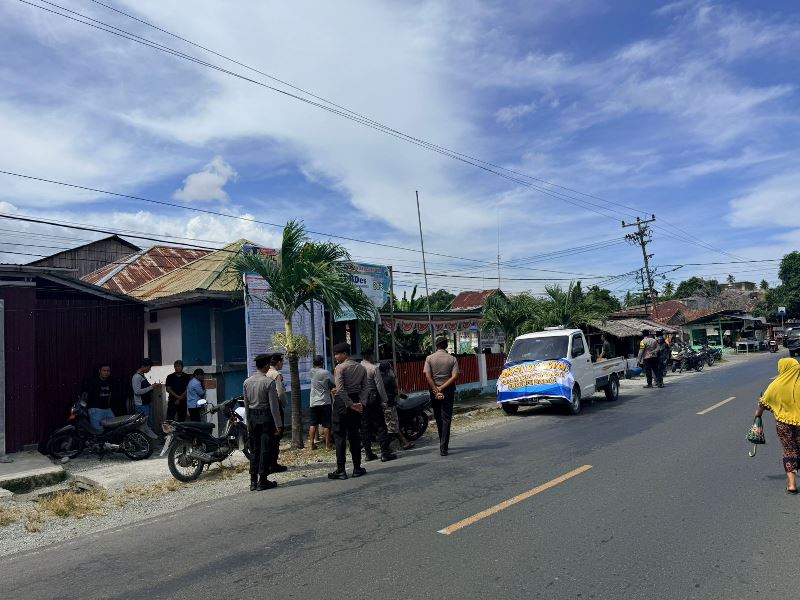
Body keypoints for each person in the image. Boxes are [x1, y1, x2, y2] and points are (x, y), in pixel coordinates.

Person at [754, 358, 800, 494]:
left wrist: (758, 414)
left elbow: (763, 403)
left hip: (783, 424)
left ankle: (792, 484)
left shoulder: (775, 385)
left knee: (789, 450)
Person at [329, 342, 367, 480]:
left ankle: (341, 470)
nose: (335, 356)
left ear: (345, 354)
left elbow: (339, 389)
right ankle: (357, 468)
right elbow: (365, 387)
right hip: (356, 400)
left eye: (337, 354)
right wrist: (361, 403)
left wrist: (350, 404)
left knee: (340, 437)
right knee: (354, 435)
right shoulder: (361, 367)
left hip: (342, 403)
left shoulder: (340, 368)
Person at [243, 354, 278, 491]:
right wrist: (278, 424)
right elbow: (273, 406)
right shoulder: (269, 382)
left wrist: (248, 422)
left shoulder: (247, 382)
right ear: (266, 365)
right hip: (265, 418)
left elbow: (246, 405)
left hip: (252, 417)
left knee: (254, 450)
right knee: (265, 449)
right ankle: (262, 480)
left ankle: (253, 481)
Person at [424, 337, 460, 456]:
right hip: (448, 391)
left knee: (438, 417)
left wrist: (436, 389)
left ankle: (442, 442)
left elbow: (428, 377)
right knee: (446, 418)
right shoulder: (452, 359)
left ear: (436, 345)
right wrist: (442, 388)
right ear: (446, 346)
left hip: (434, 391)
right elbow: (454, 377)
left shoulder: (429, 358)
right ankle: (444, 447)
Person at [360, 348, 397, 463]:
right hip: (373, 398)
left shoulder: (357, 367)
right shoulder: (373, 368)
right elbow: (379, 386)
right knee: (381, 425)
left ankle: (368, 453)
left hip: (361, 400)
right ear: (370, 356)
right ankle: (385, 453)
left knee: (365, 427)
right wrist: (385, 400)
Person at [379, 360, 414, 450]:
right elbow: (395, 391)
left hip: (380, 405)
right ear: (388, 369)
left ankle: (402, 442)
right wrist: (401, 394)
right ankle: (401, 443)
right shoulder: (390, 379)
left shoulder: (378, 378)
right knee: (393, 425)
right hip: (389, 404)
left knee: (388, 425)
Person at [266, 353, 288, 473]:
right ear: (278, 362)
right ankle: (273, 464)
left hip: (266, 408)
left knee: (269, 436)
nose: (282, 364)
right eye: (282, 362)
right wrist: (284, 403)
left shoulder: (266, 372)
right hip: (276, 406)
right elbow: (281, 393)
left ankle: (268, 463)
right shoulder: (276, 374)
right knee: (277, 435)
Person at [309, 355, 334, 451]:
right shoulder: (326, 373)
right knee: (326, 424)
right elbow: (334, 382)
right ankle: (327, 445)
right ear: (322, 363)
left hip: (313, 402)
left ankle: (311, 444)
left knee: (313, 423)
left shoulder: (311, 371)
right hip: (324, 401)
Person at [82, 363, 116, 431]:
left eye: (108, 371)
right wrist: (84, 408)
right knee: (98, 431)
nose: (106, 372)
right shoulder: (93, 382)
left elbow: (110, 395)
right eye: (104, 370)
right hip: (95, 410)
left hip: (107, 409)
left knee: (114, 429)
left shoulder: (110, 381)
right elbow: (85, 395)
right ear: (99, 371)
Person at [132, 359, 161, 428]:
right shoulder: (136, 377)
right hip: (141, 404)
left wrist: (153, 386)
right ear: (143, 366)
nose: (149, 369)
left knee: (149, 422)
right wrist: (151, 387)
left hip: (146, 403)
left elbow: (144, 387)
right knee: (144, 425)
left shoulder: (142, 375)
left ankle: (149, 434)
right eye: (149, 367)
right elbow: (137, 392)